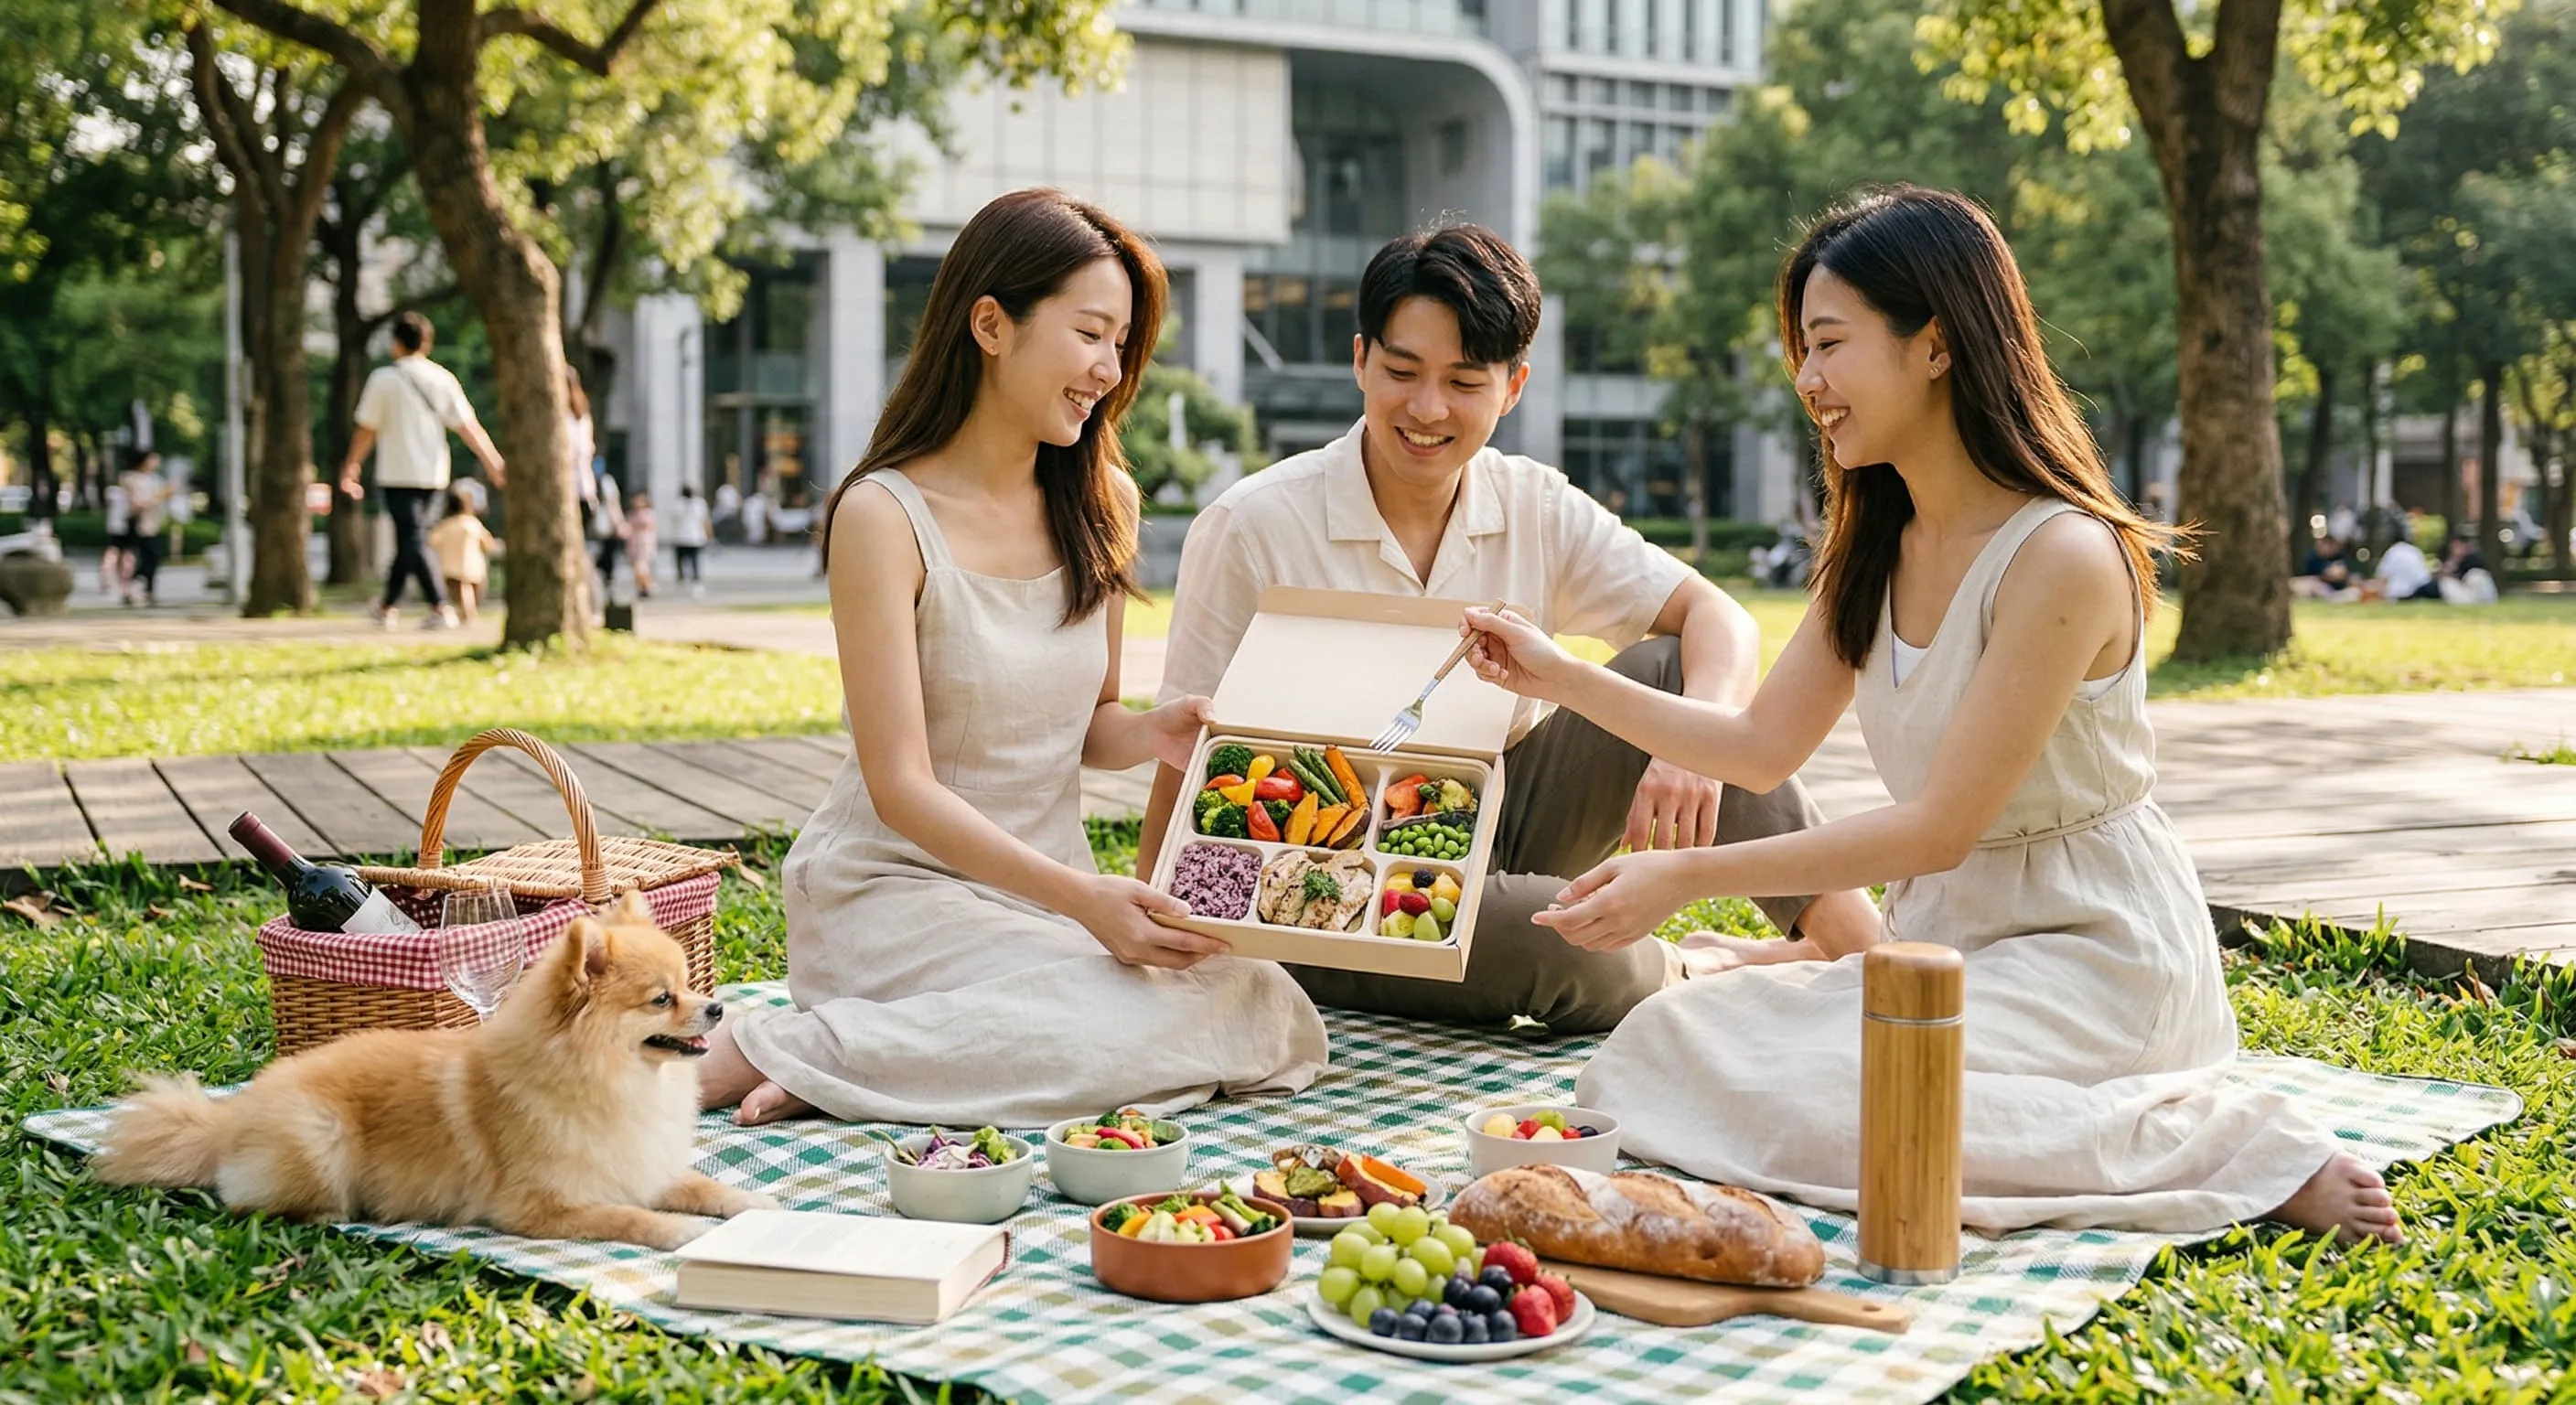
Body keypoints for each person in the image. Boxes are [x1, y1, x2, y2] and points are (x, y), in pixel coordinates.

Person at [1456, 186, 2399, 1244]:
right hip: (1940, 949)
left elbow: (1940, 826)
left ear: (1935, 343)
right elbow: (1758, 749)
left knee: (1845, 1106)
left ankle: (2240, 1151)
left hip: (2093, 953)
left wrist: (1685, 875)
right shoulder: (1875, 545)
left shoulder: (2061, 556)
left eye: (1828, 344)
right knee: (1654, 1049)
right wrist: (1552, 673)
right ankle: (2091, 1128)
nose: (1805, 380)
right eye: (1801, 350)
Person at [1141, 223, 1878, 1035]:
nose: (1427, 408)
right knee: (1562, 945)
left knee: (1676, 671)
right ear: (1359, 362)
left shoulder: (1534, 504)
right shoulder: (1251, 525)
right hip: (1330, 873)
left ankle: (1873, 962)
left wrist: (1686, 751)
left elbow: (1718, 617)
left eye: (1463, 381)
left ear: (1514, 385)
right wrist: (1161, 938)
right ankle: (1705, 965)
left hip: (1509, 807)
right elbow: (1184, 756)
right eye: (1401, 371)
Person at [692, 188, 1326, 1128]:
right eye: (1089, 334)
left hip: (1044, 910)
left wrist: (1153, 731)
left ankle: (872, 1060)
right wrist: (1085, 902)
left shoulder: (1101, 497)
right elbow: (901, 786)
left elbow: (1090, 724)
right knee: (1125, 1023)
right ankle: (776, 1048)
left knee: (1266, 1008)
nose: (1109, 369)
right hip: (897, 893)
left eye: (1122, 344)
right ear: (990, 324)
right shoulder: (881, 517)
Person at [340, 312, 503, 629]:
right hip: (433, 475)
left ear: (396, 343)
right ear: (426, 342)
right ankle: (388, 605)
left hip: (397, 473)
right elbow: (468, 427)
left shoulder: (384, 380)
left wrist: (352, 464)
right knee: (411, 539)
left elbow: (366, 429)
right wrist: (492, 460)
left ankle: (440, 606)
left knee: (412, 538)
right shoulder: (442, 378)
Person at [426, 485, 498, 622]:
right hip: (473, 566)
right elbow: (488, 543)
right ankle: (468, 616)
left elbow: (432, 542)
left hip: (450, 566)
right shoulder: (472, 524)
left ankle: (466, 615)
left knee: (461, 592)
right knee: (467, 591)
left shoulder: (445, 525)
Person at [116, 452, 167, 607]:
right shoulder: (130, 479)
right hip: (139, 524)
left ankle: (147, 590)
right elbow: (137, 504)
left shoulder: (155, 479)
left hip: (153, 523)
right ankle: (132, 588)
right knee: (147, 557)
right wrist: (159, 496)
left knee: (153, 558)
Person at [590, 469, 628, 598]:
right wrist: (619, 523)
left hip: (593, 528)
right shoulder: (606, 482)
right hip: (606, 529)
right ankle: (607, 584)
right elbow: (613, 504)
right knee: (607, 559)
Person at [671, 482, 712, 596]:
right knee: (689, 561)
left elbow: (704, 520)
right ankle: (688, 580)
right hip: (688, 537)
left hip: (689, 537)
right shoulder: (694, 504)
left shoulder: (697, 504)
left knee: (691, 561)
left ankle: (690, 580)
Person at [2375, 533, 2440, 601]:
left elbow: (2382, 579)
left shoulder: (2392, 553)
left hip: (2400, 594)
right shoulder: (2414, 551)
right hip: (2422, 589)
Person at [100, 475, 132, 602]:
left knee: (120, 554)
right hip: (120, 527)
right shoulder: (115, 492)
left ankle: (112, 581)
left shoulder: (113, 492)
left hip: (118, 526)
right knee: (116, 554)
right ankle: (109, 579)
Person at [627, 489, 659, 598]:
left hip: (644, 544)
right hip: (634, 544)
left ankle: (646, 586)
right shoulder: (631, 514)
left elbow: (650, 526)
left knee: (642, 567)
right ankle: (641, 587)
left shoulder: (648, 513)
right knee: (637, 568)